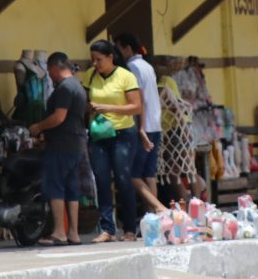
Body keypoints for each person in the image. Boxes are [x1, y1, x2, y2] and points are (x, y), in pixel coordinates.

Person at [84, 40, 141, 243]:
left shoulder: (125, 76)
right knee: (101, 180)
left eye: (99, 60)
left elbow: (136, 107)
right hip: (99, 135)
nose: (95, 64)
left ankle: (129, 229)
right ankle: (107, 229)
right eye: (93, 60)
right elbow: (85, 100)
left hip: (122, 134)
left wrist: (107, 108)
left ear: (111, 57)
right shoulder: (91, 76)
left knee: (123, 179)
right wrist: (89, 107)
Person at [29, 52, 86, 246]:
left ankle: (60, 232)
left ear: (54, 67)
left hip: (61, 145)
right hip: (77, 144)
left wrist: (39, 127)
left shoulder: (64, 88)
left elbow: (59, 117)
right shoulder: (77, 85)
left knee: (55, 187)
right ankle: (74, 233)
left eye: (49, 71)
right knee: (72, 189)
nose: (49, 76)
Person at [113, 33, 166, 215]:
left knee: (134, 175)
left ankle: (158, 210)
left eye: (118, 49)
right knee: (149, 174)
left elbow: (139, 99)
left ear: (127, 48)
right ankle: (153, 217)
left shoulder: (131, 67)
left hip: (144, 126)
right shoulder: (147, 66)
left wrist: (141, 128)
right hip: (155, 124)